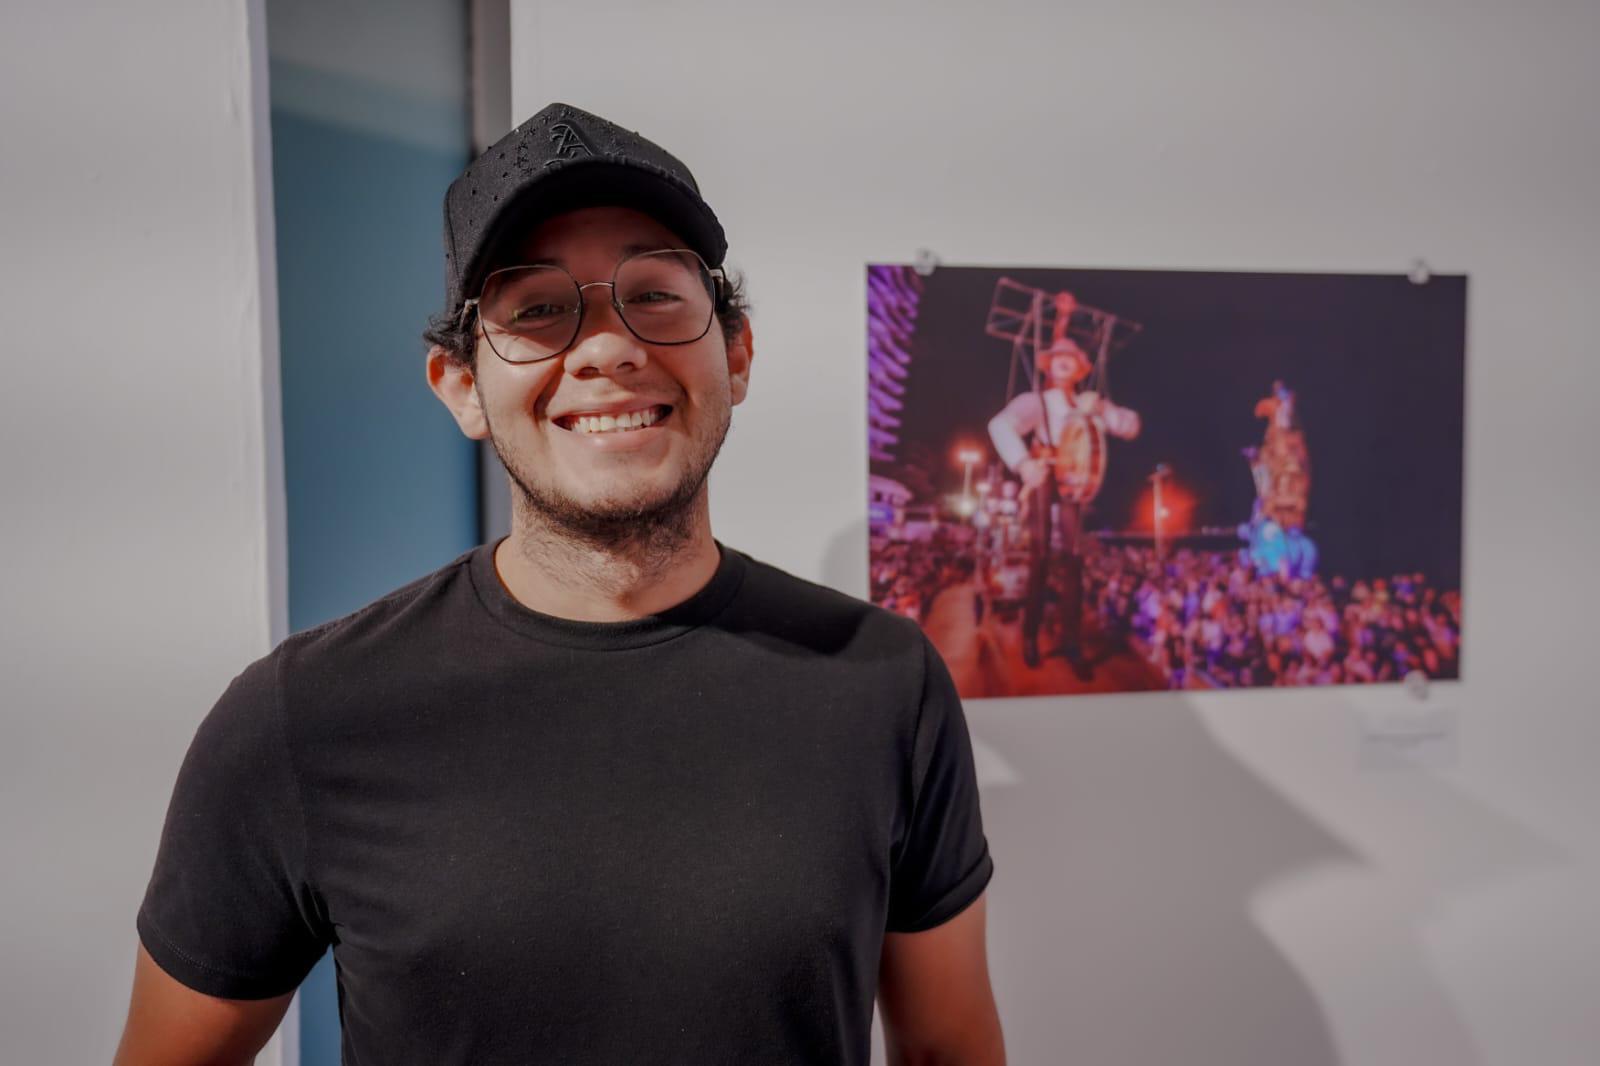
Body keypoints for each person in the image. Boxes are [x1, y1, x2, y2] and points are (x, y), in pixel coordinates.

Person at [116, 103, 1003, 1066]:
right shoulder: (300, 718)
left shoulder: (882, 681)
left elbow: (948, 1047)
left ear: (736, 353)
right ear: (460, 388)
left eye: (655, 293)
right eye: (537, 308)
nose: (608, 347)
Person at [987, 296, 1140, 676]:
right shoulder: (1036, 401)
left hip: (1072, 482)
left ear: (1079, 369)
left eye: (1071, 357)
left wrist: (1104, 410)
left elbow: (1131, 426)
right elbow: (1000, 425)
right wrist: (1023, 464)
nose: (1064, 360)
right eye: (1057, 356)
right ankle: (1030, 635)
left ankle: (1072, 643)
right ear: (1050, 365)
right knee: (1039, 556)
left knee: (1072, 561)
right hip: (1042, 475)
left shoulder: (1089, 403)